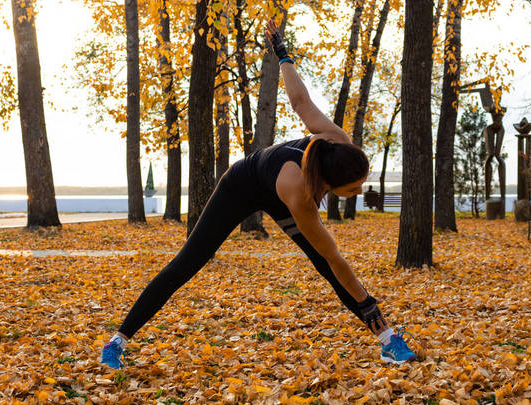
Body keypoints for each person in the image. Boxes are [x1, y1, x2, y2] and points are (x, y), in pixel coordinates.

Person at [101, 19, 416, 369]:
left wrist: (283, 53)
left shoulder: (338, 142)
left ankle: (388, 340)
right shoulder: (298, 192)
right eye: (353, 189)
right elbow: (336, 257)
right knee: (189, 261)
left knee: (324, 268)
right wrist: (366, 301)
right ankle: (116, 341)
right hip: (242, 184)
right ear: (330, 181)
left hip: (275, 187)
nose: (358, 192)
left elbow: (300, 100)